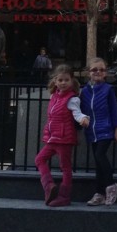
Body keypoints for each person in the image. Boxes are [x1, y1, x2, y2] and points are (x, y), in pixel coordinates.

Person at [35, 63, 89, 207]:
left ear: (72, 81)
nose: (63, 83)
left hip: (64, 138)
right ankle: (49, 186)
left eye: (66, 80)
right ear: (55, 82)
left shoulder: (72, 99)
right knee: (39, 160)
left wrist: (83, 119)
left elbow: (77, 113)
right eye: (60, 80)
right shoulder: (54, 96)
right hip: (53, 137)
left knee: (65, 167)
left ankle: (64, 196)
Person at [79, 58, 117, 206]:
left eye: (101, 70)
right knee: (97, 162)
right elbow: (81, 110)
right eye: (94, 70)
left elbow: (114, 111)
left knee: (100, 155)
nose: (98, 72)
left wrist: (116, 130)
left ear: (106, 73)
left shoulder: (108, 89)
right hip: (92, 130)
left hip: (106, 129)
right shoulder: (84, 91)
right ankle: (99, 192)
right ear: (88, 72)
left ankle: (111, 185)